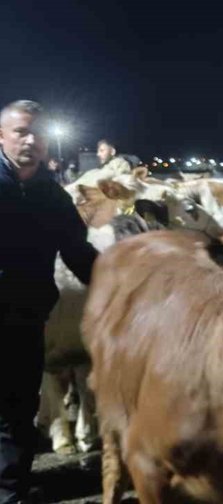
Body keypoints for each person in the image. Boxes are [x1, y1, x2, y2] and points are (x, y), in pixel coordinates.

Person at [0, 100, 99, 501]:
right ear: (1, 135)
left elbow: (78, 253)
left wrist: (124, 288)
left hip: (25, 316)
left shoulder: (53, 197)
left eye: (37, 133)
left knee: (19, 409)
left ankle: (10, 491)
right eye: (21, 131)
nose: (31, 140)